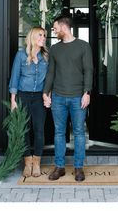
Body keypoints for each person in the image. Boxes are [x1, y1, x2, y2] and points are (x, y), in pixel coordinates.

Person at [43, 15, 93, 182]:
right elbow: (51, 72)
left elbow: (89, 71)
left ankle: (78, 168)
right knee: (59, 133)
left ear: (64, 27)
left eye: (55, 28)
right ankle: (60, 167)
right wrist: (46, 92)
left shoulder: (84, 46)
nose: (54, 31)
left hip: (78, 97)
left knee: (79, 133)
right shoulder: (55, 49)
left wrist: (87, 92)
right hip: (58, 97)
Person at [9, 26, 48, 178]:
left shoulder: (46, 57)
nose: (43, 38)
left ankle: (37, 163)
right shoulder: (20, 55)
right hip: (23, 96)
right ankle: (27, 163)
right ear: (32, 37)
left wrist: (47, 95)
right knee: (24, 130)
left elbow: (48, 80)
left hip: (39, 98)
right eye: (40, 35)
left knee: (39, 130)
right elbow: (14, 77)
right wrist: (13, 100)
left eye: (44, 35)